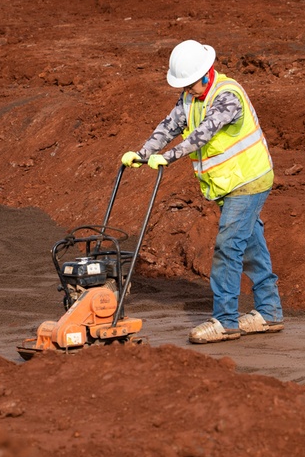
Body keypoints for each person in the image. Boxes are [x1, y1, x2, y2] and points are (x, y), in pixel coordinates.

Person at [121, 39, 284, 344]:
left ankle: (225, 321)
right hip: (228, 184)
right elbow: (169, 127)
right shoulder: (189, 98)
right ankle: (270, 312)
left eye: (190, 83)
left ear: (207, 73)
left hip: (249, 180)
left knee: (228, 246)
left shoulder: (228, 96)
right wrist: (143, 153)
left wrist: (170, 156)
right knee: (249, 245)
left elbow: (203, 133)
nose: (186, 89)